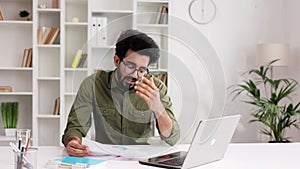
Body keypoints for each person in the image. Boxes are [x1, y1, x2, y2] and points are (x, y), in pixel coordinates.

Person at [62, 29, 180, 157]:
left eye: (142, 70)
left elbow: (172, 138)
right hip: (106, 158)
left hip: (141, 159)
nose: (135, 75)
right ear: (117, 61)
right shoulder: (93, 84)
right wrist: (73, 142)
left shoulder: (155, 88)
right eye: (130, 66)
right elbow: (76, 127)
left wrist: (159, 109)